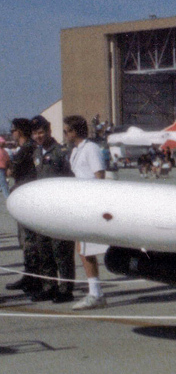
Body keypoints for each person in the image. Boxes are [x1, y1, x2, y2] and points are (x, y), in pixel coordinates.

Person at [63, 115, 108, 310]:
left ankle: (96, 293)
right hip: (79, 203)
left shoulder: (91, 149)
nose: (64, 135)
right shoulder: (75, 151)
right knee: (82, 249)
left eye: (66, 131)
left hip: (89, 204)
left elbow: (99, 175)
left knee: (86, 250)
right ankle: (94, 290)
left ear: (74, 132)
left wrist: (94, 204)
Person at [31, 115, 76, 302]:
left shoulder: (61, 152)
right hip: (42, 209)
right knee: (44, 249)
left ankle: (66, 289)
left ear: (49, 131)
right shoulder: (37, 153)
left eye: (41, 132)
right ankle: (49, 285)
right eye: (35, 133)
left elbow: (72, 177)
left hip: (59, 207)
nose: (38, 136)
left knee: (61, 250)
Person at [7, 118, 41, 296]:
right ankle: (29, 276)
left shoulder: (28, 148)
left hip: (28, 198)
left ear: (19, 131)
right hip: (22, 196)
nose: (12, 133)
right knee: (25, 240)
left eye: (13, 130)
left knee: (29, 240)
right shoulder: (25, 148)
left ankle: (35, 278)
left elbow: (12, 169)